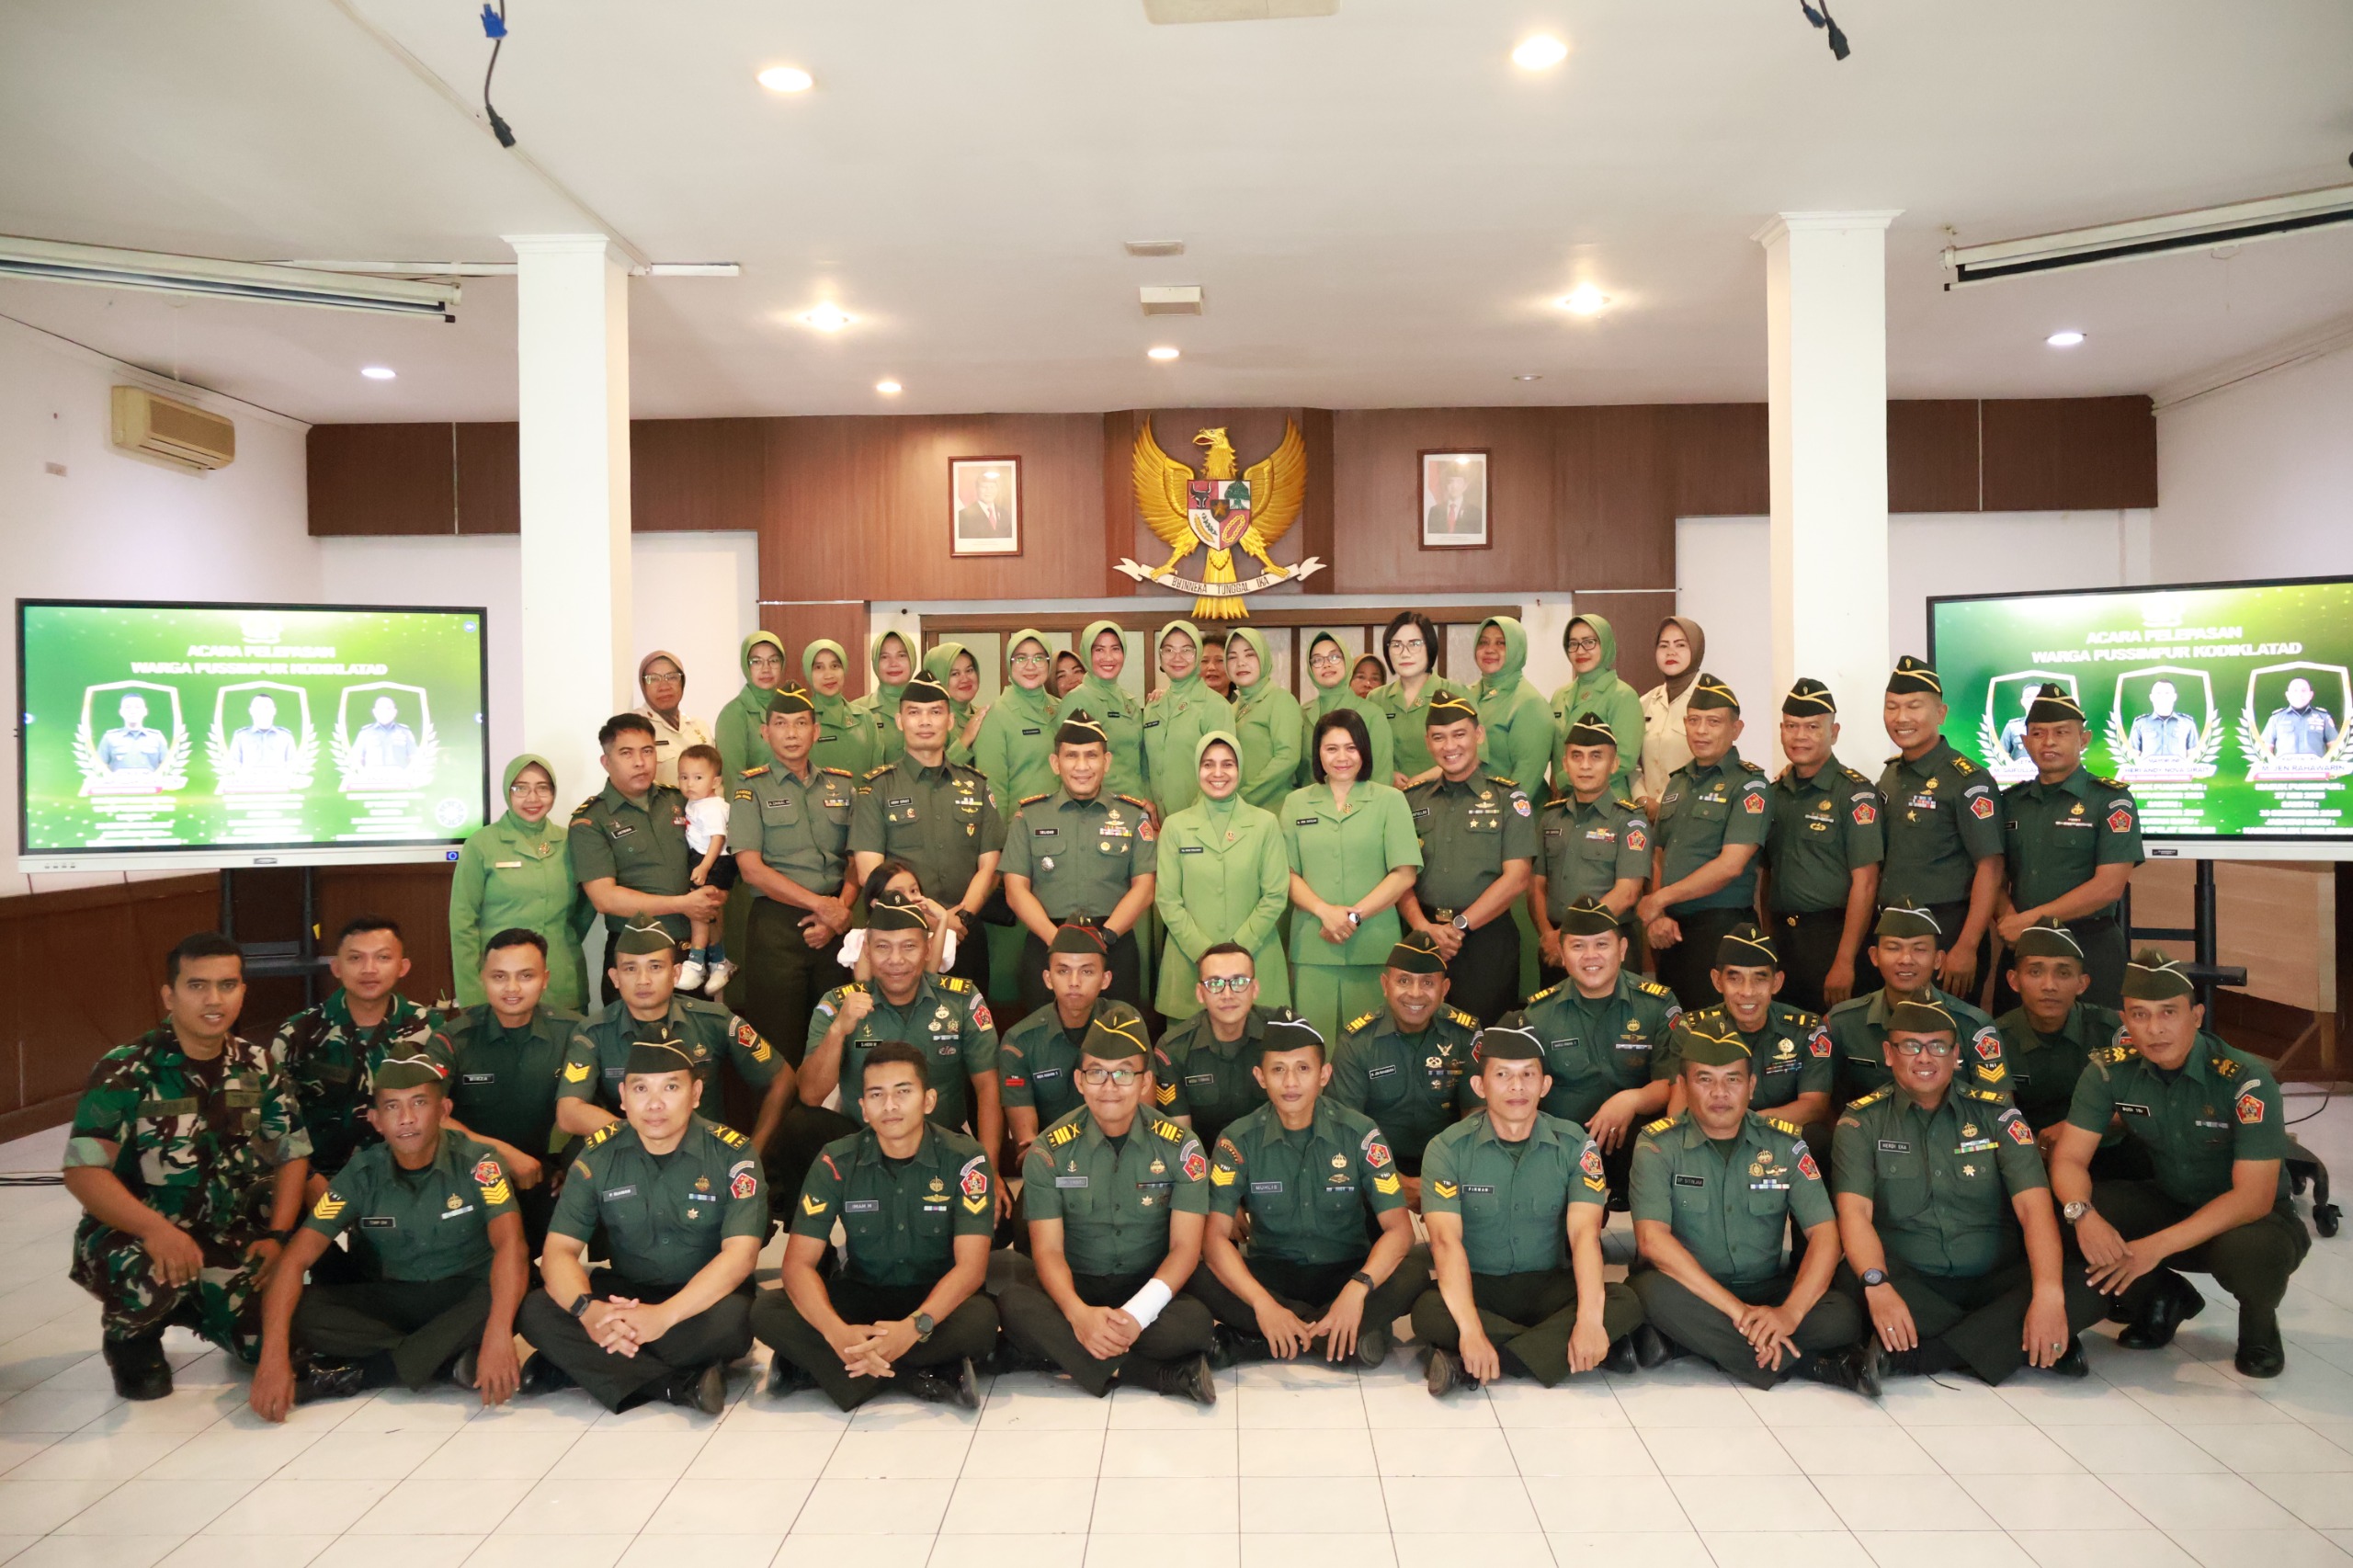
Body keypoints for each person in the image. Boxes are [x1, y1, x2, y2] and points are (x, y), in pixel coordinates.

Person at [63, 933, 310, 1399]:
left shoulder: (258, 1066)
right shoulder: (126, 1069)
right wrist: (156, 1230)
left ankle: (201, 1304)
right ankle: (132, 1337)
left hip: (223, 1235)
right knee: (149, 1281)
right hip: (138, 1237)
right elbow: (83, 1173)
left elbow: (292, 1154)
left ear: (242, 992)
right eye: (197, 986)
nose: (214, 1000)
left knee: (280, 1345)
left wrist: (278, 1236)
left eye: (227, 985)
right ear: (169, 995)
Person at [2052, 949, 2313, 1377]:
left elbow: (2254, 1197)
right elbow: (2068, 1158)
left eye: (2168, 1013)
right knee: (2061, 1211)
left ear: (2196, 1015)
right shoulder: (2109, 1071)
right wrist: (2083, 1215)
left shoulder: (2244, 1078)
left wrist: (2154, 1248)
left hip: (2251, 1221)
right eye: (2140, 1015)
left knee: (2253, 1252)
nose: (2154, 1029)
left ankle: (2259, 1327)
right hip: (2172, 1200)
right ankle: (2162, 1298)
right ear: (2125, 1019)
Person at [1832, 1000, 2107, 1387]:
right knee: (1853, 1278)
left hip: (1993, 1278)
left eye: (1938, 1046)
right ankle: (2018, 1344)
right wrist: (1878, 1286)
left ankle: (1920, 1356)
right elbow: (1855, 1215)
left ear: (1956, 1054)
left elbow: (2034, 1210)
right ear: (1889, 1054)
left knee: (2090, 1286)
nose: (1925, 1057)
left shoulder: (1999, 1117)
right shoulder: (1860, 1123)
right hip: (1914, 1281)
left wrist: (2047, 1296)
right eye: (1910, 1046)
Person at [248, 1054, 528, 1416]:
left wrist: (499, 1333)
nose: (406, 1118)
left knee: (517, 1293)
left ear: (443, 1110)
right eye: (393, 1107)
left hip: (466, 1294)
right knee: (300, 1310)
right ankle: (443, 1359)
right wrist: (271, 1359)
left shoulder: (480, 1163)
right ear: (376, 1120)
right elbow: (295, 1259)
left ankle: (366, 1371)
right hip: (395, 1297)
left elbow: (511, 1245)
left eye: (419, 1103)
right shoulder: (361, 1174)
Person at [519, 1040, 765, 1414]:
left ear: (696, 1093)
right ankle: (676, 1384)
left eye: (671, 1087)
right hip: (628, 1293)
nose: (654, 1104)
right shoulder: (599, 1155)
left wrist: (663, 1317)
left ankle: (579, 1363)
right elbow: (559, 1251)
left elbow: (741, 1256)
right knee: (536, 1309)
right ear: (623, 1097)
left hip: (703, 1300)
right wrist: (590, 1312)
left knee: (736, 1323)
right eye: (640, 1089)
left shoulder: (731, 1154)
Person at [1627, 1028, 1876, 1392]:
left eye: (1733, 1079)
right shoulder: (1657, 1146)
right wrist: (1739, 1313)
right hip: (1691, 1290)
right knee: (1648, 1294)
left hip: (1765, 1288)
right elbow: (1652, 1241)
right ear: (1683, 1086)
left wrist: (1789, 1314)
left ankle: (1687, 1344)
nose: (1720, 1093)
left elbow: (1825, 1234)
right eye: (1705, 1080)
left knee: (1843, 1314)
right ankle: (1814, 1365)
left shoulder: (1786, 1144)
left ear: (1752, 1086)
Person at [756, 1042, 1000, 1409]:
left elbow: (971, 1269)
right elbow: (797, 1265)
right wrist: (836, 1332)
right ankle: (924, 1373)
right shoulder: (836, 1160)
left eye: (903, 1092)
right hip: (863, 1294)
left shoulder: (966, 1159)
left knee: (982, 1321)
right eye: (876, 1095)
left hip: (933, 1299)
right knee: (766, 1310)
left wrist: (914, 1327)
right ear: (863, 1108)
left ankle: (828, 1371)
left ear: (928, 1100)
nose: (890, 1106)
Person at [1414, 1025, 1646, 1393]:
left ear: (1545, 1085)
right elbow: (1445, 1243)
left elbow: (1584, 1236)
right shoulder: (1446, 1149)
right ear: (1479, 1086)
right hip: (1480, 1286)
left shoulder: (1575, 1145)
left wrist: (1588, 1320)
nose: (1517, 1087)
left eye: (1528, 1075)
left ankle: (1469, 1363)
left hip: (1548, 1286)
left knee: (1625, 1301)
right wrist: (1471, 1329)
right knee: (1428, 1311)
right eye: (1502, 1075)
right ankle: (1568, 1351)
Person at [999, 1017, 1220, 1403]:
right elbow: (1047, 1251)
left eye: (1124, 1073)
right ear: (1079, 1081)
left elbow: (1185, 1249)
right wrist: (1078, 1315)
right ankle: (1151, 1373)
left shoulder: (1181, 1148)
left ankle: (1067, 1354)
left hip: (1146, 1282)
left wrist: (1137, 1315)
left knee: (1195, 1324)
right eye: (1097, 1073)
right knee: (1013, 1305)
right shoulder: (1049, 1150)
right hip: (1078, 1283)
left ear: (1145, 1082)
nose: (1110, 1087)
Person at [1195, 1017, 1427, 1367]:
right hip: (1272, 1276)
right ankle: (1332, 1336)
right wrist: (1263, 1304)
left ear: (1324, 1075)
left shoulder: (1361, 1133)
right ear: (1260, 1077)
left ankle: (1261, 1341)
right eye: (1278, 1069)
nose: (1290, 1082)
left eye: (1303, 1068)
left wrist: (1357, 1290)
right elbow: (1213, 1240)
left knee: (1414, 1275)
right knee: (1199, 1276)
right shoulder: (1236, 1140)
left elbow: (1400, 1231)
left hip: (1345, 1273)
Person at [557, 920, 801, 1205]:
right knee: (577, 1151)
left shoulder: (714, 1020)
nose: (643, 980)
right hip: (631, 1159)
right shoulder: (594, 1032)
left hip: (707, 1159)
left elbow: (782, 1079)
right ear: (614, 977)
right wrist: (649, 1135)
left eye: (655, 967)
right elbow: (569, 1112)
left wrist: (753, 1154)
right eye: (630, 969)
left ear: (676, 973)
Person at [1493, 898, 1681, 1197]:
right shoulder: (1538, 1014)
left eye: (1602, 945)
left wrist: (1631, 1100)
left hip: (1635, 1145)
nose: (1590, 956)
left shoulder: (1657, 1004)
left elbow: (1672, 1083)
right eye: (1578, 946)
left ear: (1622, 949)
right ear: (1562, 954)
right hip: (1563, 1149)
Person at [802, 899, 1003, 1165]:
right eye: (883, 947)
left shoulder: (961, 1000)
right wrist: (838, 1030)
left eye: (909, 946)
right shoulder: (838, 1004)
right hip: (862, 1149)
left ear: (928, 949)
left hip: (941, 1145)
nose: (896, 960)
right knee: (800, 1126)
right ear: (867, 951)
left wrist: (990, 1170)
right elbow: (810, 1094)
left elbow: (988, 1087)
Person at [849, 674, 1004, 994]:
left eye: (935, 712)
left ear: (950, 720)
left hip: (965, 933)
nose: (925, 721)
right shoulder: (878, 788)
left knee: (969, 1020)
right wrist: (933, 920)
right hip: (899, 940)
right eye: (914, 712)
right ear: (899, 720)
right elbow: (869, 873)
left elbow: (990, 867)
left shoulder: (976, 784)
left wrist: (959, 918)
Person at [732, 686, 859, 1062]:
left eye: (801, 723)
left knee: (837, 1043)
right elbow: (751, 869)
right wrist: (821, 906)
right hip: (777, 928)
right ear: (765, 732)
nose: (791, 733)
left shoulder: (843, 785)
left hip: (836, 929)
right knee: (778, 1046)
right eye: (781, 724)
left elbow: (856, 860)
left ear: (815, 732)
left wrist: (838, 912)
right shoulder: (750, 787)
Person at [429, 929, 578, 1252]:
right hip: (465, 1172)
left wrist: (576, 1166)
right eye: (499, 976)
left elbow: (599, 1108)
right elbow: (429, 1116)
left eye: (526, 976)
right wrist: (503, 1155)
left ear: (545, 979)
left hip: (540, 1173)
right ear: (483, 978)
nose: (512, 988)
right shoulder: (454, 1038)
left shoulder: (573, 1033)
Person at [1996, 684, 2143, 1008]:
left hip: (2089, 946)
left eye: (2061, 732)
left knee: (2096, 1037)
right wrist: (2008, 917)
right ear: (2025, 742)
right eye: (2038, 733)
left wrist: (2028, 920)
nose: (2048, 742)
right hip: (2024, 948)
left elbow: (2109, 887)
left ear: (2084, 739)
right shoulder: (2010, 802)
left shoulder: (2111, 801)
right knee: (2015, 1035)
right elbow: (1993, 872)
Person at [1002, 711, 1157, 1017]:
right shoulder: (1029, 816)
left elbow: (1145, 889)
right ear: (1055, 763)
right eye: (1071, 756)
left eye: (1091, 755)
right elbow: (1015, 890)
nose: (1082, 766)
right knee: (1043, 1036)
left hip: (1114, 944)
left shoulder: (1133, 816)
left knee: (1118, 1035)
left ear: (1107, 761)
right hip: (1048, 943)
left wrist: (1104, 937)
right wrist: (1059, 941)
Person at [1282, 709, 1423, 1047]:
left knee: (1373, 1049)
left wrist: (1353, 916)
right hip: (1313, 945)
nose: (1342, 758)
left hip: (1374, 946)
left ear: (1364, 751)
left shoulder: (1390, 800)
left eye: (1351, 747)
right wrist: (1324, 911)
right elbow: (1286, 874)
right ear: (1318, 753)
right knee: (1313, 1049)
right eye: (1331, 748)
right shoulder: (1296, 803)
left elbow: (1404, 874)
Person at [270, 915, 436, 1188]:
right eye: (356, 958)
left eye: (383, 958)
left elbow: (443, 1113)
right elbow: (276, 1124)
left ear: (402, 967)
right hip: (318, 1183)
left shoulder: (429, 1029)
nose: (369, 969)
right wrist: (311, 1184)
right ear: (336, 967)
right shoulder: (297, 1034)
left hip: (412, 1182)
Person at [1399, 693, 1535, 1025]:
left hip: (1485, 940)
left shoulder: (1508, 798)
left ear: (1479, 735)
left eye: (1459, 734)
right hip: (1422, 935)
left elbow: (1518, 877)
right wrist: (1423, 927)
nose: (1450, 746)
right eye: (1439, 737)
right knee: (1421, 1037)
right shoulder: (1411, 800)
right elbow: (1399, 873)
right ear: (1428, 742)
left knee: (1484, 1038)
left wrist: (1459, 927)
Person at [571, 712, 725, 1004]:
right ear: (606, 762)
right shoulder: (591, 820)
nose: (640, 762)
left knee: (695, 1033)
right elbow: (605, 899)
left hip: (690, 955)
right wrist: (682, 904)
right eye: (626, 753)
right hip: (634, 958)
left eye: (647, 751)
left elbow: (718, 854)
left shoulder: (682, 800)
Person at [1638, 674, 1771, 1011]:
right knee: (1675, 1026)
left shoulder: (1749, 785)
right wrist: (1659, 915)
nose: (1701, 731)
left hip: (1721, 930)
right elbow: (1659, 854)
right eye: (1694, 721)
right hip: (1671, 932)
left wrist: (1660, 899)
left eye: (1713, 722)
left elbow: (1731, 866)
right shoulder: (1677, 783)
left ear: (1736, 729)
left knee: (1717, 1030)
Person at [1878, 656, 2003, 1000]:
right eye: (1892, 707)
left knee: (1947, 1029)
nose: (1901, 718)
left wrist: (1967, 945)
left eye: (1914, 706)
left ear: (1941, 713)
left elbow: (1991, 867)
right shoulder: (1890, 775)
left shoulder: (1968, 780)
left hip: (1946, 933)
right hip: (1893, 932)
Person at [1762, 679, 1884, 1014]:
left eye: (1812, 727)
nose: (1799, 736)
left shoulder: (1854, 793)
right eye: (1791, 726)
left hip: (1833, 940)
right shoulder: (1774, 794)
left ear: (1834, 732)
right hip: (1784, 944)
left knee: (1836, 1037)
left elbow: (1866, 882)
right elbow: (1768, 875)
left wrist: (1845, 960)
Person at [1154, 733, 1290, 1017]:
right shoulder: (1175, 827)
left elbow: (1276, 894)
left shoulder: (1265, 824)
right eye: (1208, 764)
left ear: (1240, 769)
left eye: (1227, 764)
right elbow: (1167, 899)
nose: (1218, 773)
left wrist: (1239, 950)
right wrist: (1203, 953)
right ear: (1197, 769)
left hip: (1256, 960)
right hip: (1189, 964)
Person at [1659, 926, 1830, 1150]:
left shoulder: (1806, 1030)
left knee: (1816, 1136)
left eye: (1759, 979)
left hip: (1776, 1136)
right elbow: (1680, 1108)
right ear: (1717, 981)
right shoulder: (1692, 1029)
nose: (1747, 992)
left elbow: (1814, 1106)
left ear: (1776, 982)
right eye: (1735, 979)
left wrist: (1750, 1126)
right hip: (1713, 1138)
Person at [1329, 932, 1476, 1188]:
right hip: (1376, 1172)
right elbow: (1346, 1129)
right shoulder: (1357, 1043)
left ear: (1444, 989)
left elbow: (1476, 1117)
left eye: (1428, 982)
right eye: (1404, 981)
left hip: (1452, 1169)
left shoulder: (1465, 1035)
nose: (1415, 994)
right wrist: (1397, 1184)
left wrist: (1444, 1180)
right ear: (1385, 985)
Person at [449, 754, 596, 1013]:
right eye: (521, 788)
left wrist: (562, 939)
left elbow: (587, 907)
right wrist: (472, 996)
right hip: (502, 985)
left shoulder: (570, 842)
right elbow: (463, 923)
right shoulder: (481, 844)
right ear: (508, 792)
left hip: (561, 982)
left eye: (543, 788)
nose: (532, 798)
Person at [1824, 907, 2007, 1105]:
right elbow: (1823, 1102)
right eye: (1893, 948)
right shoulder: (1843, 1022)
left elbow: (1997, 1107)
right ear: (1874, 956)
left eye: (1919, 949)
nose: (1906, 960)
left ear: (1938, 959)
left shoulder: (1973, 1026)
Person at [1002, 927, 1149, 1157]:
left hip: (1122, 1155)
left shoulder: (1126, 1021)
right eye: (1063, 971)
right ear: (1048, 979)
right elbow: (1027, 1143)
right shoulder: (1020, 1041)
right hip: (1053, 1161)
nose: (1074, 982)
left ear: (1105, 979)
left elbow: (1145, 1113)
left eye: (1087, 971)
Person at [1531, 711, 1648, 984]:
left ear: (1614, 764)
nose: (1585, 765)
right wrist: (1548, 935)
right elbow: (1536, 886)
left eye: (1596, 756)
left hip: (1608, 943)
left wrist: (1570, 937)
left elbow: (1628, 892)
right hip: (1554, 947)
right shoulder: (1550, 817)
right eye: (1576, 756)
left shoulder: (1630, 820)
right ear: (1565, 764)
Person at [1993, 919, 2128, 1149]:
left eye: (2063, 973)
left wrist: (2076, 1127)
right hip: (2025, 1152)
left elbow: (2140, 1106)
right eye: (2035, 972)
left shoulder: (2109, 1030)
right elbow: (1997, 1115)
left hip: (2104, 1151)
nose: (2049, 985)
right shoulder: (1995, 1038)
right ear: (2014, 981)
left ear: (2082, 984)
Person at [1152, 944, 1279, 1145]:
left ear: (1255, 989)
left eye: (1239, 982)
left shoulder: (1282, 1033)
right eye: (1214, 983)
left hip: (1270, 1153)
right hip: (1203, 1157)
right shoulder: (1174, 1049)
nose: (1227, 994)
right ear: (1200, 993)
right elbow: (1179, 1140)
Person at [1142, 619, 1234, 815]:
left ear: (1198, 655)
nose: (1177, 657)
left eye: (1186, 650)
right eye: (1169, 650)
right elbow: (1145, 766)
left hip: (1200, 819)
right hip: (1156, 821)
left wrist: (1190, 820)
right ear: (1160, 657)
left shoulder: (1216, 706)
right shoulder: (1153, 706)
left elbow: (1222, 772)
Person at [1547, 614, 1643, 800]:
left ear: (1605, 644)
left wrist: (1563, 779)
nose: (1580, 651)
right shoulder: (1560, 695)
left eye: (1589, 642)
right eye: (1573, 644)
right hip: (1565, 802)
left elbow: (1625, 759)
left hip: (1607, 801)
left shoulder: (1622, 695)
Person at [1371, 611, 1470, 788]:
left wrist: (1419, 780)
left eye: (1414, 644)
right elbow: (1363, 752)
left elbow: (1475, 753)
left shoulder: (1455, 692)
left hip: (1447, 794)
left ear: (1430, 646)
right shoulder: (1376, 698)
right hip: (1390, 797)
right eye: (1396, 645)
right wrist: (1385, 773)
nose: (1405, 653)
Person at [974, 629, 1062, 809]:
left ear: (1049, 663)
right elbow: (993, 788)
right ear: (1009, 663)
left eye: (1038, 658)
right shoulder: (996, 715)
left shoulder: (1061, 708)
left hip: (1065, 818)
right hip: (1020, 821)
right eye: (1021, 658)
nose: (1030, 666)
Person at [675, 743, 737, 995]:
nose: (689, 783)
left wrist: (704, 867)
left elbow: (717, 839)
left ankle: (696, 962)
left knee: (698, 910)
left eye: (698, 778)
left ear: (716, 781)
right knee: (709, 912)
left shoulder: (712, 807)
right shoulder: (697, 802)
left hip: (714, 860)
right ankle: (719, 961)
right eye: (684, 777)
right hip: (703, 857)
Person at [1471, 617, 1554, 798]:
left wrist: (1505, 811)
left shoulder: (1530, 703)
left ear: (1517, 649)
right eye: (1483, 642)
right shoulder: (1468, 694)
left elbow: (1526, 776)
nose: (1490, 649)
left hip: (1512, 809)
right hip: (1473, 806)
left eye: (1501, 643)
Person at [1299, 631, 1394, 789]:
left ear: (1347, 662)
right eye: (1317, 660)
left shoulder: (1372, 714)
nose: (1326, 664)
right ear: (1310, 668)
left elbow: (1381, 777)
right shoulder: (1302, 714)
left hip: (1362, 802)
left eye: (1334, 657)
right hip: (1311, 802)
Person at [1067, 620, 1149, 803]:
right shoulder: (1078, 700)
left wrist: (1143, 798)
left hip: (1136, 804)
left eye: (1115, 649)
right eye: (1099, 650)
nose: (1108, 657)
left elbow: (1140, 761)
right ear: (1087, 654)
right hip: (1099, 806)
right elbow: (1077, 766)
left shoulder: (1129, 701)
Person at [840, 858, 959, 979]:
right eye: (898, 894)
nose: (909, 899)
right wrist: (874, 923)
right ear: (875, 902)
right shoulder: (860, 938)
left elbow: (928, 976)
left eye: (913, 891)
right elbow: (864, 982)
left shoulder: (932, 938)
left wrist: (943, 918)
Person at [1226, 628, 1302, 810]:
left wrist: (1243, 798)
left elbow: (1287, 758)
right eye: (1232, 657)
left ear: (1264, 657)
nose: (1240, 663)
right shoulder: (1231, 708)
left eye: (1249, 654)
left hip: (1272, 809)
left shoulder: (1280, 700)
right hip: (1236, 811)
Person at [1635, 616, 1705, 809]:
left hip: (1691, 809)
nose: (1671, 652)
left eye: (1680, 645)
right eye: (1663, 645)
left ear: (1696, 649)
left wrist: (1662, 803)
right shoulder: (1645, 702)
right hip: (1646, 813)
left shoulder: (1709, 700)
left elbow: (1709, 762)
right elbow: (1631, 761)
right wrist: (1642, 799)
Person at [633, 650, 713, 789]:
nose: (664, 686)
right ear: (643, 685)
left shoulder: (699, 726)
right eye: (653, 679)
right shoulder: (634, 727)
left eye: (672, 677)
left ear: (682, 682)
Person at [713, 631, 789, 780]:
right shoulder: (733, 714)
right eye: (756, 661)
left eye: (773, 660)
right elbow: (733, 779)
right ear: (745, 665)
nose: (766, 669)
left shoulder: (791, 706)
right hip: (754, 796)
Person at [801, 638, 879, 778]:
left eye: (835, 666)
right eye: (818, 667)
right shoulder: (801, 719)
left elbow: (879, 776)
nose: (829, 675)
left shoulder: (866, 718)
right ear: (808, 672)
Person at [854, 629, 917, 766]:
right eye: (884, 657)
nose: (893, 663)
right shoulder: (856, 711)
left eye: (901, 655)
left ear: (912, 659)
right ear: (875, 662)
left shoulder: (930, 708)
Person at [925, 642, 987, 768]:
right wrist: (965, 739)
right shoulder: (929, 722)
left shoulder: (982, 715)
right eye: (954, 674)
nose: (965, 679)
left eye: (969, 670)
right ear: (938, 678)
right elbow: (931, 774)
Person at [2260, 676, 2339, 757]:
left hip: (2315, 765)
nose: (2299, 694)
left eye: (2303, 690)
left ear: (2311, 695)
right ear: (2287, 695)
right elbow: (2267, 748)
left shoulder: (2323, 717)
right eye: (2295, 690)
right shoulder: (2276, 718)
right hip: (2284, 765)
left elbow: (2334, 747)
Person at [96, 692, 169, 775]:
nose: (133, 711)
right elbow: (100, 767)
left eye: (137, 707)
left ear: (145, 711)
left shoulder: (157, 737)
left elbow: (166, 767)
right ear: (121, 712)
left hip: (150, 783)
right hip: (119, 783)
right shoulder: (110, 738)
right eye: (128, 707)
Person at [2127, 679, 2200, 763]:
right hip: (2149, 771)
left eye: (2167, 693)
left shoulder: (2187, 723)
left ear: (2174, 697)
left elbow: (2192, 755)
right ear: (2151, 697)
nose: (2163, 696)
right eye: (2158, 693)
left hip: (2178, 771)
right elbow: (2134, 755)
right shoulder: (2140, 723)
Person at [228, 694, 297, 771]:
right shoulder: (241, 736)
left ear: (274, 711)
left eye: (267, 707)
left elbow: (292, 764)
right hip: (249, 779)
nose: (262, 711)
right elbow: (234, 764)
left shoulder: (285, 737)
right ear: (251, 711)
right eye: (258, 707)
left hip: (277, 778)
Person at [352, 695, 416, 773]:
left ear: (395, 712)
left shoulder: (405, 732)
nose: (385, 711)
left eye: (388, 708)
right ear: (374, 712)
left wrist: (407, 774)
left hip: (399, 778)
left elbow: (415, 758)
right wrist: (364, 774)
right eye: (380, 709)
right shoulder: (365, 733)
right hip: (372, 778)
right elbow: (356, 759)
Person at [1426, 462, 1483, 536]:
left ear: (1465, 485)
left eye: (1459, 482)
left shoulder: (1475, 512)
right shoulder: (1434, 511)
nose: (1454, 486)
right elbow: (1431, 537)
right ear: (1446, 485)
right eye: (1450, 482)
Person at [958, 466, 1013, 539]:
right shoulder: (963, 516)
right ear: (977, 489)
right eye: (984, 487)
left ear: (997, 489)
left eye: (992, 487)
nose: (988, 491)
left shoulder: (1004, 513)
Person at [1199, 631, 1233, 702]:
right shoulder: (1185, 706)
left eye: (1220, 660)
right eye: (1204, 661)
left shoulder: (1243, 706)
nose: (1211, 667)